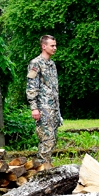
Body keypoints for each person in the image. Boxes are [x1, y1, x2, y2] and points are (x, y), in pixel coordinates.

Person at [26, 35, 63, 164]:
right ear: (44, 46)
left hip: (53, 108)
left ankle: (46, 168)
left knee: (52, 140)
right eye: (52, 45)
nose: (55, 48)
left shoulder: (52, 64)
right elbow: (31, 86)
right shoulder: (35, 63)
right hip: (43, 108)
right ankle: (41, 171)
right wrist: (34, 108)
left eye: (55, 45)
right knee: (46, 139)